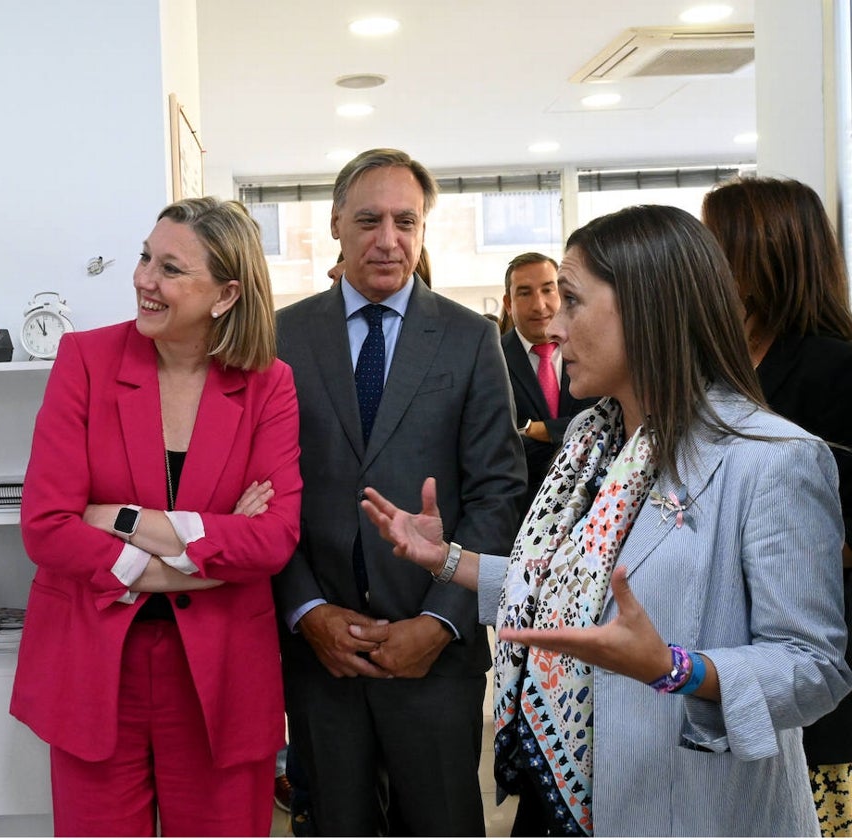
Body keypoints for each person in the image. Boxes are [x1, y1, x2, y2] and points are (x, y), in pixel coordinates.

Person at [361, 203, 852, 837]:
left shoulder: (770, 460)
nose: (552, 326)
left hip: (682, 804)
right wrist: (446, 559)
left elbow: (813, 668)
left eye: (572, 301)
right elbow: (564, 589)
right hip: (559, 784)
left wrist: (676, 668)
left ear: (647, 309)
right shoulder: (594, 447)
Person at [12, 197, 303, 837]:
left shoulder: (267, 384)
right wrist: (199, 561)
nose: (144, 279)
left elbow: (273, 540)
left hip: (222, 674)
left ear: (225, 295)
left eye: (171, 269)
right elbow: (46, 525)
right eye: (146, 257)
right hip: (95, 666)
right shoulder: (84, 362)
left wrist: (115, 517)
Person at [275, 147, 526, 836]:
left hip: (434, 656)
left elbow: (497, 492)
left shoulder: (472, 339)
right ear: (334, 225)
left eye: (405, 221)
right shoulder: (281, 338)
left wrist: (440, 621)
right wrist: (307, 612)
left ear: (423, 230)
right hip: (322, 656)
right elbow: (262, 495)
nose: (388, 239)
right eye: (368, 219)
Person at [702, 176, 852, 836]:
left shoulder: (835, 369)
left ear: (755, 255)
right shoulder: (716, 367)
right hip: (725, 663)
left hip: (814, 669)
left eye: (711, 242)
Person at [500, 252, 596, 512]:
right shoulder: (491, 359)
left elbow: (605, 422)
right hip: (520, 513)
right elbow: (502, 446)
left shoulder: (594, 350)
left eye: (547, 290)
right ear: (508, 303)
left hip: (589, 507)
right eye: (525, 293)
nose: (539, 305)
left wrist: (538, 430)